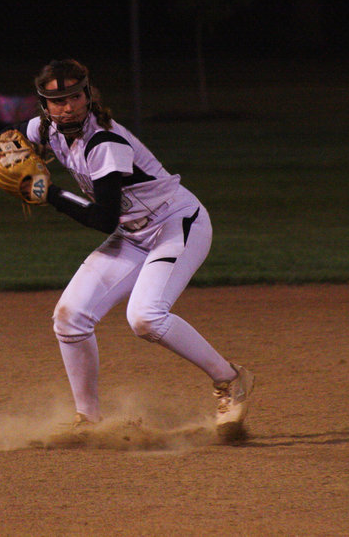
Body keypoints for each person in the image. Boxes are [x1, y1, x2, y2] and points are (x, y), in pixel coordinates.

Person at [22, 59, 254, 442]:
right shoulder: (44, 127)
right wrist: (4, 151)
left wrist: (52, 195)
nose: (67, 106)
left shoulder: (105, 143)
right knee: (69, 317)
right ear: (44, 105)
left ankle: (231, 379)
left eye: (75, 96)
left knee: (145, 317)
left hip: (175, 224)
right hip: (133, 234)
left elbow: (103, 218)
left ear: (87, 95)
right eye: (57, 100)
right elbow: (17, 140)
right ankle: (88, 420)